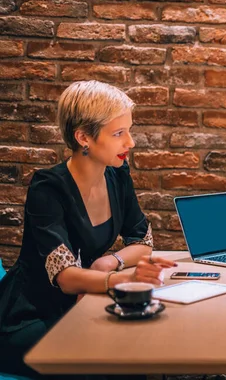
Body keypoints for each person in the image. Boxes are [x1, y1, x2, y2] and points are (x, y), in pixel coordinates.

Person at [0, 81, 177, 378]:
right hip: (30, 315)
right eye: (119, 133)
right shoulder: (48, 188)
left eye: (129, 131)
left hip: (80, 304)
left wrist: (110, 261)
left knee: (132, 351)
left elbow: (143, 240)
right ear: (84, 137)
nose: (130, 143)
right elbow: (67, 278)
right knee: (108, 360)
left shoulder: (117, 174)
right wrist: (125, 278)